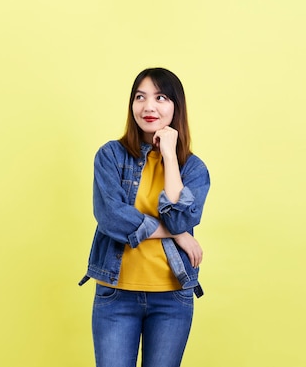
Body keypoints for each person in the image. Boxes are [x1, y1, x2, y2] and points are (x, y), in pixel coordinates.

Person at [79, 67, 211, 367]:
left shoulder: (193, 169)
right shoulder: (111, 155)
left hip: (172, 298)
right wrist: (178, 234)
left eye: (160, 97)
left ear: (176, 106)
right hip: (116, 295)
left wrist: (168, 155)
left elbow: (180, 218)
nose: (148, 106)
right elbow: (110, 216)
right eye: (140, 97)